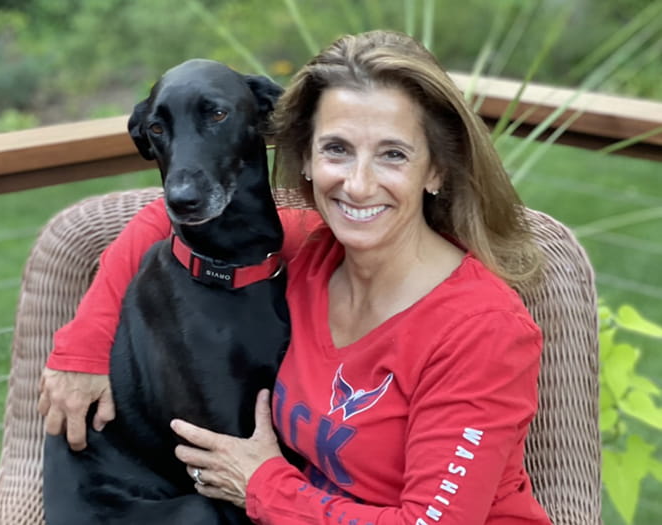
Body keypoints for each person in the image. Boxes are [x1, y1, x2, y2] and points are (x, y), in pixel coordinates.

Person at [38, 30, 552, 524]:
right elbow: (166, 218)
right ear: (304, 157)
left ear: (437, 169)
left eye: (393, 154)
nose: (358, 185)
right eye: (337, 149)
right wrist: (84, 345)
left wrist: (263, 486)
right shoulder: (307, 252)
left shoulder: (479, 331)